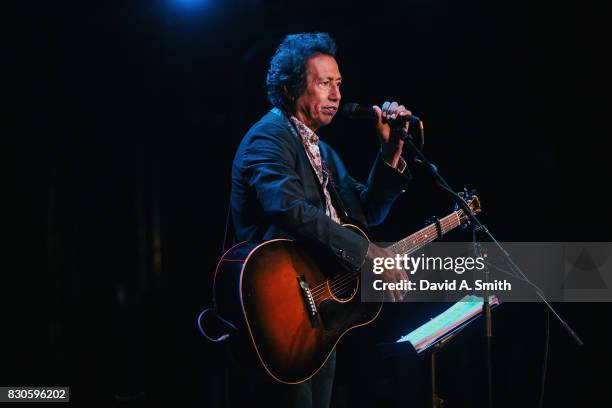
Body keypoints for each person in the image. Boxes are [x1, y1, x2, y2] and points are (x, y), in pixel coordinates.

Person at [228, 32, 412, 407]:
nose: (336, 94)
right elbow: (290, 208)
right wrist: (368, 254)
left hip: (318, 313)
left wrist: (390, 152)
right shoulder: (267, 138)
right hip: (280, 310)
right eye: (324, 83)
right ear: (291, 88)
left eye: (338, 83)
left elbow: (366, 214)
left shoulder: (321, 149)